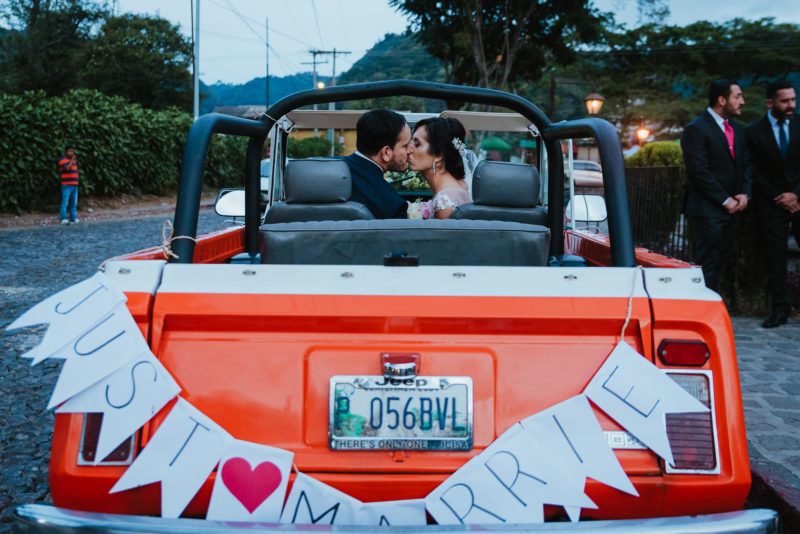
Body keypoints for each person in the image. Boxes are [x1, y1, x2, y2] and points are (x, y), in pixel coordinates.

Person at [681, 79, 752, 293]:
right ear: (722, 100)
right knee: (706, 264)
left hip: (735, 209)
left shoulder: (738, 130)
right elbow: (698, 171)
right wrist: (725, 199)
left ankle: (717, 305)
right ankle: (703, 309)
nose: (742, 101)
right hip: (706, 210)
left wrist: (744, 194)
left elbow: (747, 164)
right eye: (737, 96)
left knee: (723, 262)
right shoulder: (696, 128)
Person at [746, 80, 800, 328]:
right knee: (775, 258)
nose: (791, 105)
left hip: (799, 200)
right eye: (785, 100)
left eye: (793, 99)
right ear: (770, 103)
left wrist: (795, 195)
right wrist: (780, 196)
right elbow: (753, 170)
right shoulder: (754, 131)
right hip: (771, 203)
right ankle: (780, 309)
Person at [342, 109, 409, 219]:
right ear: (386, 152)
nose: (410, 150)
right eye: (405, 146)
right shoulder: (392, 205)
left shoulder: (326, 169)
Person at [408, 117, 472, 219]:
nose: (409, 150)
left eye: (417, 144)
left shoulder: (444, 200)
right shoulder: (456, 185)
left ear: (438, 155)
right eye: (411, 142)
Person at [57, 146, 80, 224]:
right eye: (70, 151)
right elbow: (67, 169)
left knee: (74, 203)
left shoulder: (73, 161)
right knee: (65, 203)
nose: (72, 153)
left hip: (74, 185)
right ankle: (63, 218)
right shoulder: (62, 160)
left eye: (73, 151)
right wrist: (72, 160)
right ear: (66, 152)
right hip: (66, 185)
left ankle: (73, 218)